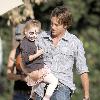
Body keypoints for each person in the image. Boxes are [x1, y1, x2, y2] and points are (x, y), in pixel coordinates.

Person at [34, 6, 90, 100]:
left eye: (56, 25)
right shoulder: (41, 38)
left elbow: (83, 70)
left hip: (62, 87)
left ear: (65, 25)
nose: (52, 27)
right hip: (41, 86)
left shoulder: (75, 42)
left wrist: (86, 95)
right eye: (51, 23)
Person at [20, 20, 58, 100]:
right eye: (31, 33)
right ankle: (46, 98)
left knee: (36, 84)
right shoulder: (25, 44)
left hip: (36, 69)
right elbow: (27, 59)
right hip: (36, 70)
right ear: (25, 31)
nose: (34, 36)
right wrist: (38, 53)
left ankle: (32, 97)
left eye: (36, 33)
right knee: (54, 81)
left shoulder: (29, 41)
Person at [7, 23, 32, 100]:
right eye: (18, 39)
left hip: (34, 93)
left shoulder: (35, 51)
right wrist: (21, 77)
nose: (21, 42)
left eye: (22, 38)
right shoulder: (14, 52)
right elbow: (9, 75)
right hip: (19, 94)